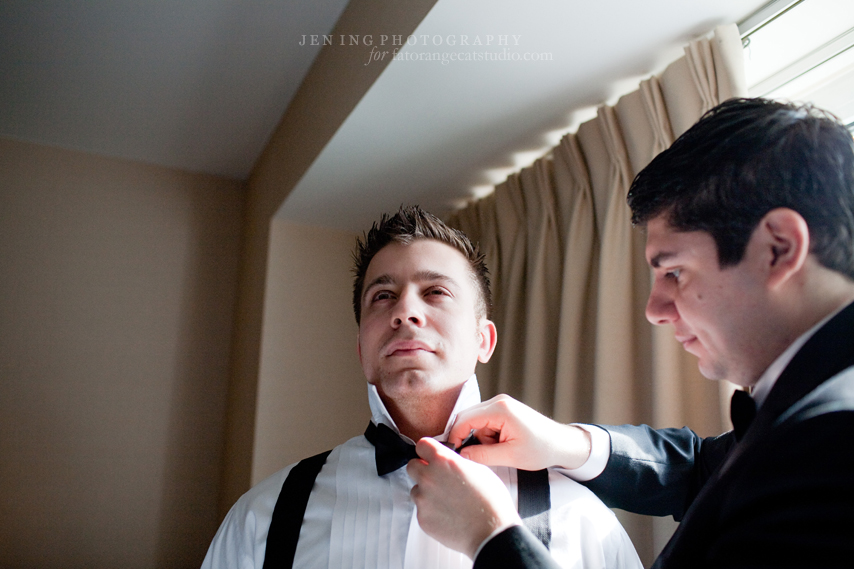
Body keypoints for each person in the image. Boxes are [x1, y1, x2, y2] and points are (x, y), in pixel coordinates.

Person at [407, 98, 854, 568]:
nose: (654, 310)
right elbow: (703, 466)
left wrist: (491, 538)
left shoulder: (836, 443)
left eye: (675, 272)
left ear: (778, 248)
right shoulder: (809, 412)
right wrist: (567, 443)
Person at [201, 206, 642, 569]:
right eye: (383, 296)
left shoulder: (584, 522)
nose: (405, 311)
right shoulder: (262, 518)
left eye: (435, 292)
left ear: (483, 341)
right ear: (362, 349)